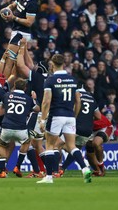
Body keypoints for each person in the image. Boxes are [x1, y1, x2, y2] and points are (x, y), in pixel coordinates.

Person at [37, 54, 92, 184]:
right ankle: (84, 168)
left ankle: (49, 177)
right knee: (72, 145)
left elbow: (46, 102)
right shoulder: (73, 80)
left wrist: (43, 119)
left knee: (50, 145)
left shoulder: (50, 80)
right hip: (70, 116)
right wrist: (74, 115)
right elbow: (78, 101)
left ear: (52, 65)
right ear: (63, 64)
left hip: (56, 115)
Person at [0, 78, 40, 178]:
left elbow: (0, 112)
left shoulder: (6, 96)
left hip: (6, 126)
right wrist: (34, 99)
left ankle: (2, 170)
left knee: (2, 145)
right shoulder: (28, 99)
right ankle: (17, 166)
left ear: (14, 86)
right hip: (21, 128)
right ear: (25, 88)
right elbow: (37, 109)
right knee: (26, 143)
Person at [16, 38, 47, 178]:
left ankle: (49, 168)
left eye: (36, 67)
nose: (33, 66)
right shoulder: (44, 77)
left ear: (38, 70)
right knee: (36, 144)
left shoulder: (37, 77)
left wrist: (21, 47)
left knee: (28, 142)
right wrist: (26, 47)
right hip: (43, 113)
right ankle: (39, 170)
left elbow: (21, 65)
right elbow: (30, 64)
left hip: (36, 113)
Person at [0, 0, 38, 79]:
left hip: (21, 33)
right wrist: (7, 9)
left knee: (8, 59)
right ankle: (36, 76)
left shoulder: (32, 4)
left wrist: (13, 17)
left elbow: (29, 22)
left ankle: (2, 83)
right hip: (16, 30)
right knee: (22, 62)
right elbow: (14, 4)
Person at [59, 87, 101, 176]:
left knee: (57, 144)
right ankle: (62, 169)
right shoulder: (92, 98)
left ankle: (56, 169)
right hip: (87, 130)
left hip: (74, 127)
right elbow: (99, 116)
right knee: (74, 148)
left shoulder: (75, 96)